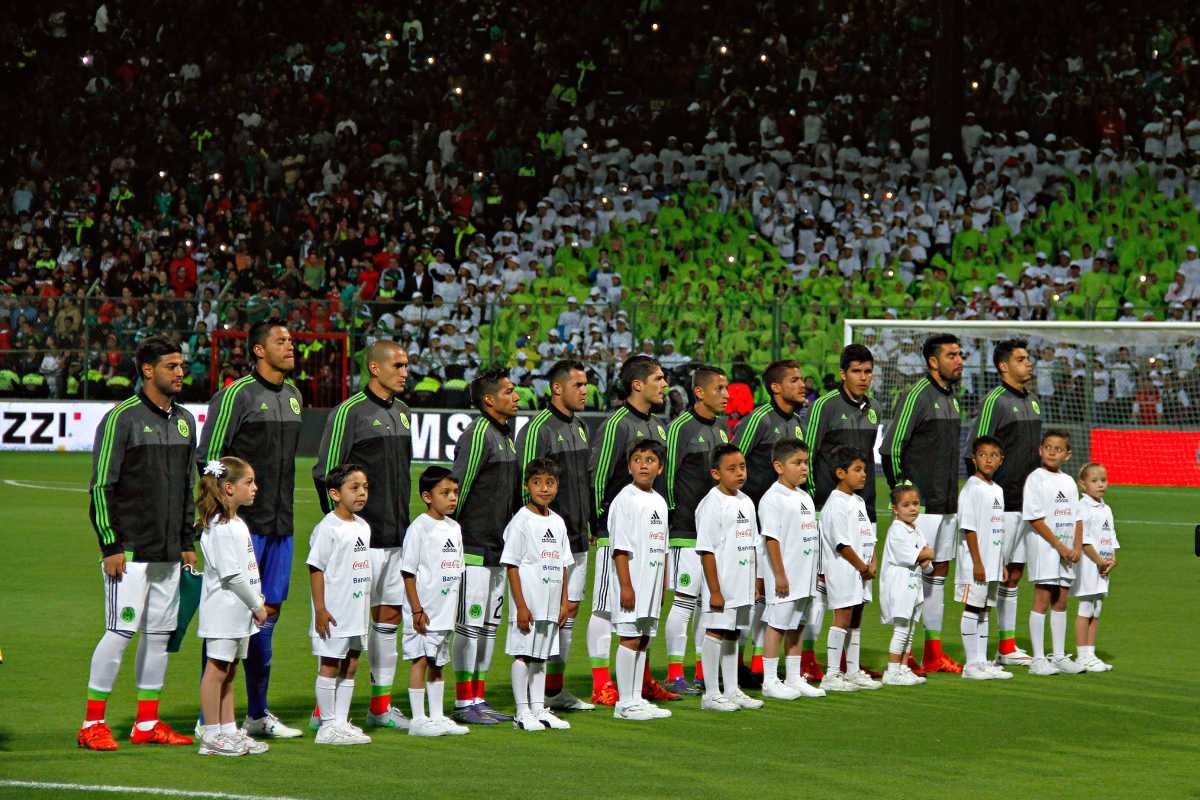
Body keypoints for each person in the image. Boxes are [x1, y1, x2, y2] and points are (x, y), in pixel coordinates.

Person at [78, 335, 197, 751]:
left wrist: (187, 539)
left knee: (160, 635)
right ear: (148, 370)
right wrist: (110, 544)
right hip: (128, 551)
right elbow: (100, 487)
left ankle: (147, 723)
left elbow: (188, 486)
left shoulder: (184, 421)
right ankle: (92, 722)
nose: (180, 373)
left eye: (182, 366)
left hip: (167, 551)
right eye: (172, 366)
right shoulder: (121, 419)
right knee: (120, 631)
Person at [197, 318, 302, 739]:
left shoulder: (294, 396)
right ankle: (212, 721)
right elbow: (208, 457)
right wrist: (222, 512)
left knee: (268, 614)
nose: (290, 346)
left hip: (281, 524)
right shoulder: (236, 395)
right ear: (259, 350)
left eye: (291, 340)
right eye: (281, 340)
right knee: (230, 618)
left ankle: (256, 714)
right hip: (243, 527)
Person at [311, 340, 414, 732]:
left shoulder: (404, 413)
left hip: (396, 537)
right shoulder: (349, 412)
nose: (405, 372)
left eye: (406, 365)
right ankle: (325, 712)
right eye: (399, 365)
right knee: (343, 626)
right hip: (360, 540)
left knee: (388, 619)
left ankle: (380, 706)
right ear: (375, 367)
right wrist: (341, 530)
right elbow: (325, 473)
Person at [587, 355, 673, 706]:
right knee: (607, 607)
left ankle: (642, 679)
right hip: (617, 529)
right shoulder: (617, 424)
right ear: (638, 384)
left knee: (643, 608)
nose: (665, 384)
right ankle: (601, 682)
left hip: (646, 532)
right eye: (659, 378)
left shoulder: (657, 425)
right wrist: (596, 522)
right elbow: (598, 473)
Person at [880, 333, 965, 674]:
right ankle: (903, 656)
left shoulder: (952, 398)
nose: (959, 360)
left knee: (938, 575)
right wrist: (902, 492)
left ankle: (932, 652)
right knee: (917, 574)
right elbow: (891, 447)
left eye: (960, 354)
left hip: (947, 503)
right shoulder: (916, 395)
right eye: (952, 355)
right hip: (923, 505)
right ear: (933, 361)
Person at [515, 360, 594, 711]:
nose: (585, 390)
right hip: (546, 543)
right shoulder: (538, 430)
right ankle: (532, 696)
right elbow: (526, 485)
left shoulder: (578, 427)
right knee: (541, 614)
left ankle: (553, 690)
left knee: (568, 613)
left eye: (586, 384)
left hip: (577, 536)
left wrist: (588, 523)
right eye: (578, 384)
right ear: (557, 389)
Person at [803, 343, 881, 680]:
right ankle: (807, 659)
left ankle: (849, 664)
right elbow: (806, 455)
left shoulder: (873, 408)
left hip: (863, 510)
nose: (863, 378)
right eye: (856, 372)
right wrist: (810, 506)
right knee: (821, 592)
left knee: (859, 595)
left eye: (868, 372)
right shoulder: (824, 407)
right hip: (827, 509)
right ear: (842, 373)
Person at [450, 368, 521, 723]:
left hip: (497, 547)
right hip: (473, 546)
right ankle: (464, 702)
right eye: (509, 391)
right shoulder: (479, 434)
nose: (517, 396)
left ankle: (478, 695)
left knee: (489, 626)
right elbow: (456, 489)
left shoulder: (506, 435)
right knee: (470, 625)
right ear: (489, 400)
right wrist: (449, 538)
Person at [733, 359, 807, 685]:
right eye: (794, 380)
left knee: (770, 598)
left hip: (782, 523)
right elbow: (732, 461)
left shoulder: (798, 423)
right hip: (753, 521)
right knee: (749, 596)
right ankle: (732, 667)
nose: (802, 384)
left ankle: (763, 666)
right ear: (776, 387)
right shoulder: (759, 419)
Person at [970, 338, 1040, 666]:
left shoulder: (1032, 401)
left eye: (1028, 358)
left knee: (1014, 574)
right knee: (994, 574)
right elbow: (977, 448)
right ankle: (979, 651)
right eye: (1022, 359)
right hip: (1002, 502)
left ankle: (1007, 646)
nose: (1029, 363)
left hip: (1027, 503)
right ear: (1004, 366)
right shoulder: (994, 401)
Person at [195, 456, 270, 756]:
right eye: (248, 482)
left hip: (238, 611)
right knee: (216, 670)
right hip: (224, 610)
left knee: (229, 670)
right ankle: (211, 736)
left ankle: (229, 730)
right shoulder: (221, 526)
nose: (255, 488)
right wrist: (257, 604)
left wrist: (254, 602)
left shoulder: (235, 522)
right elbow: (232, 574)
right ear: (228, 487)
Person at [663, 365, 729, 694]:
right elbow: (667, 478)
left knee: (709, 602)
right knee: (685, 601)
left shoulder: (721, 430)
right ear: (700, 392)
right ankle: (676, 672)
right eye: (719, 388)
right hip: (686, 530)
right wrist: (673, 519)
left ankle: (703, 671)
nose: (727, 395)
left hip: (714, 534)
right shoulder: (680, 429)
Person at [501, 458, 574, 732]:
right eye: (537, 482)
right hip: (529, 603)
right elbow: (512, 565)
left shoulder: (558, 522)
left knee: (541, 656)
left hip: (550, 603)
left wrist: (564, 602)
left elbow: (564, 564)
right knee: (523, 654)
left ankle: (538, 708)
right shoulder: (521, 521)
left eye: (550, 483)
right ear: (526, 486)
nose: (544, 489)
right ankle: (522, 711)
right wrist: (520, 605)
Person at [400, 466, 470, 737]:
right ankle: (418, 720)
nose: (452, 498)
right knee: (419, 659)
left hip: (445, 611)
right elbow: (409, 572)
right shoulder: (419, 528)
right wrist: (417, 608)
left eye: (454, 492)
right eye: (445, 493)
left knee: (438, 662)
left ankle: (438, 716)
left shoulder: (455, 528)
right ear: (427, 497)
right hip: (424, 610)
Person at [695, 444, 764, 712]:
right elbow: (707, 550)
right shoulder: (712, 504)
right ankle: (711, 693)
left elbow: (754, 543)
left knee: (734, 633)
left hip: (742, 582)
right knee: (716, 630)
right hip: (722, 583)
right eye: (731, 469)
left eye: (742, 467)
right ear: (716, 473)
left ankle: (732, 689)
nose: (739, 473)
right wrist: (714, 590)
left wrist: (756, 580)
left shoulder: (746, 501)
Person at [756, 440, 826, 700]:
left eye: (805, 462)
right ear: (778, 466)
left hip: (804, 576)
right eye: (797, 463)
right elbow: (772, 539)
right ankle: (770, 680)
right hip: (785, 576)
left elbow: (810, 537)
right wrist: (779, 574)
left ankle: (794, 678)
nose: (804, 468)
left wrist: (816, 570)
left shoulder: (804, 496)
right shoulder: (772, 499)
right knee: (777, 625)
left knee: (798, 624)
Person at [309, 463, 373, 745]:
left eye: (365, 488)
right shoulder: (328, 528)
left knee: (352, 663)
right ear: (335, 493)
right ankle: (326, 726)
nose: (361, 493)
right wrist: (320, 609)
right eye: (354, 488)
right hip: (333, 610)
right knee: (330, 663)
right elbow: (316, 568)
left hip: (356, 609)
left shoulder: (363, 526)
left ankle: (340, 721)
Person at [609, 440, 673, 721]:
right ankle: (624, 703)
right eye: (637, 459)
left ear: (660, 468)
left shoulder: (659, 501)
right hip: (632, 582)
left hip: (652, 583)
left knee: (644, 639)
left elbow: (664, 547)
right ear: (629, 466)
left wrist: (662, 585)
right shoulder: (625, 499)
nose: (643, 464)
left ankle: (637, 697)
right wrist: (625, 585)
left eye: (650, 460)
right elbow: (620, 548)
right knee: (630, 638)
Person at [818, 447, 881, 692]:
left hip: (862, 569)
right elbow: (841, 542)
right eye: (857, 470)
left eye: (864, 469)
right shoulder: (835, 504)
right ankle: (832, 674)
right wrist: (862, 565)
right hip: (845, 568)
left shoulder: (858, 500)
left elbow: (868, 536)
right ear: (840, 473)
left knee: (855, 619)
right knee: (842, 617)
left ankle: (852, 671)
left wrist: (872, 561)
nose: (864, 474)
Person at [1022, 430, 1085, 677]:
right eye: (1047, 447)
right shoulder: (1035, 479)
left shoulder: (1069, 482)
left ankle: (1058, 656)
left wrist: (1077, 547)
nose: (1051, 451)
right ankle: (1037, 659)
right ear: (1040, 450)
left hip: (1068, 551)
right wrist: (1059, 546)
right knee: (1043, 598)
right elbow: (1035, 518)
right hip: (1045, 548)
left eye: (1058, 449)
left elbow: (1078, 518)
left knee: (1062, 600)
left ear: (1067, 455)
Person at [955, 437, 1014, 681]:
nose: (988, 459)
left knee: (985, 610)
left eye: (994, 455)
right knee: (972, 608)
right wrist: (978, 562)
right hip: (975, 563)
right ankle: (970, 665)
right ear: (974, 458)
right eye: (983, 454)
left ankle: (982, 661)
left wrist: (1000, 563)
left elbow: (996, 529)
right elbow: (969, 528)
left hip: (992, 563)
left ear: (1001, 460)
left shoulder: (997, 490)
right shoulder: (971, 489)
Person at [878, 485, 933, 687]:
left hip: (914, 586)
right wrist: (926, 555)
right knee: (901, 629)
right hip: (899, 586)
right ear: (895, 508)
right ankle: (892, 671)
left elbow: (926, 562)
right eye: (906, 505)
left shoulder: (916, 529)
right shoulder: (896, 530)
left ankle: (903, 668)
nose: (912, 509)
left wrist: (926, 559)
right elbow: (915, 556)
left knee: (910, 630)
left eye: (916, 504)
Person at [1072, 462, 1118, 672]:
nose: (1100, 484)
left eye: (1103, 480)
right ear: (1083, 484)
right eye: (1094, 481)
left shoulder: (1106, 508)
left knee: (1096, 609)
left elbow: (1110, 537)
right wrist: (1099, 561)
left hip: (1103, 566)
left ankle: (1091, 654)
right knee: (1085, 608)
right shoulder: (1082, 507)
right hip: (1089, 566)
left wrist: (1112, 558)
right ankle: (1081, 655)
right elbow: (1084, 540)